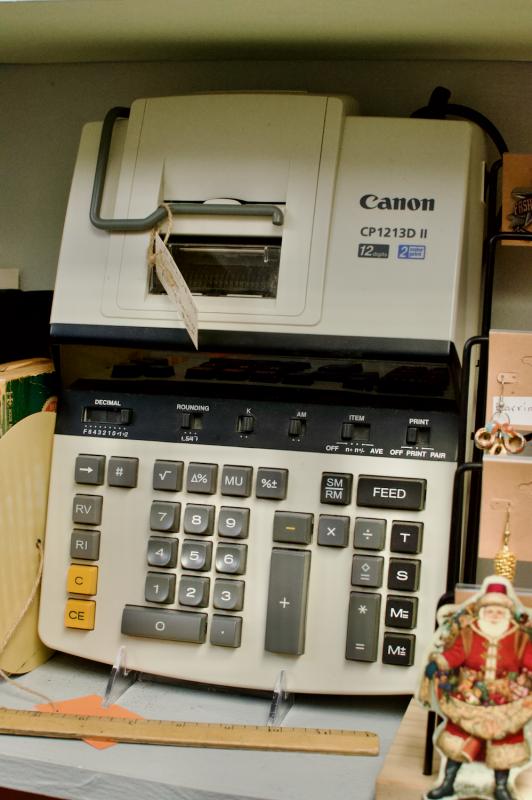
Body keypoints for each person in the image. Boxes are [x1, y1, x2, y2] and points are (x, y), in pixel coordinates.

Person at [421, 579, 532, 800]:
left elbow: (528, 660)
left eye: (499, 611)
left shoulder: (520, 636)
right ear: (482, 611)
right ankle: (448, 782)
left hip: (506, 697)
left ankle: (501, 786)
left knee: (506, 741)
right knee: (458, 736)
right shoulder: (469, 633)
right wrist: (440, 661)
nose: (494, 615)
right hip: (470, 694)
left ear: (506, 612)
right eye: (489, 610)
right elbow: (455, 655)